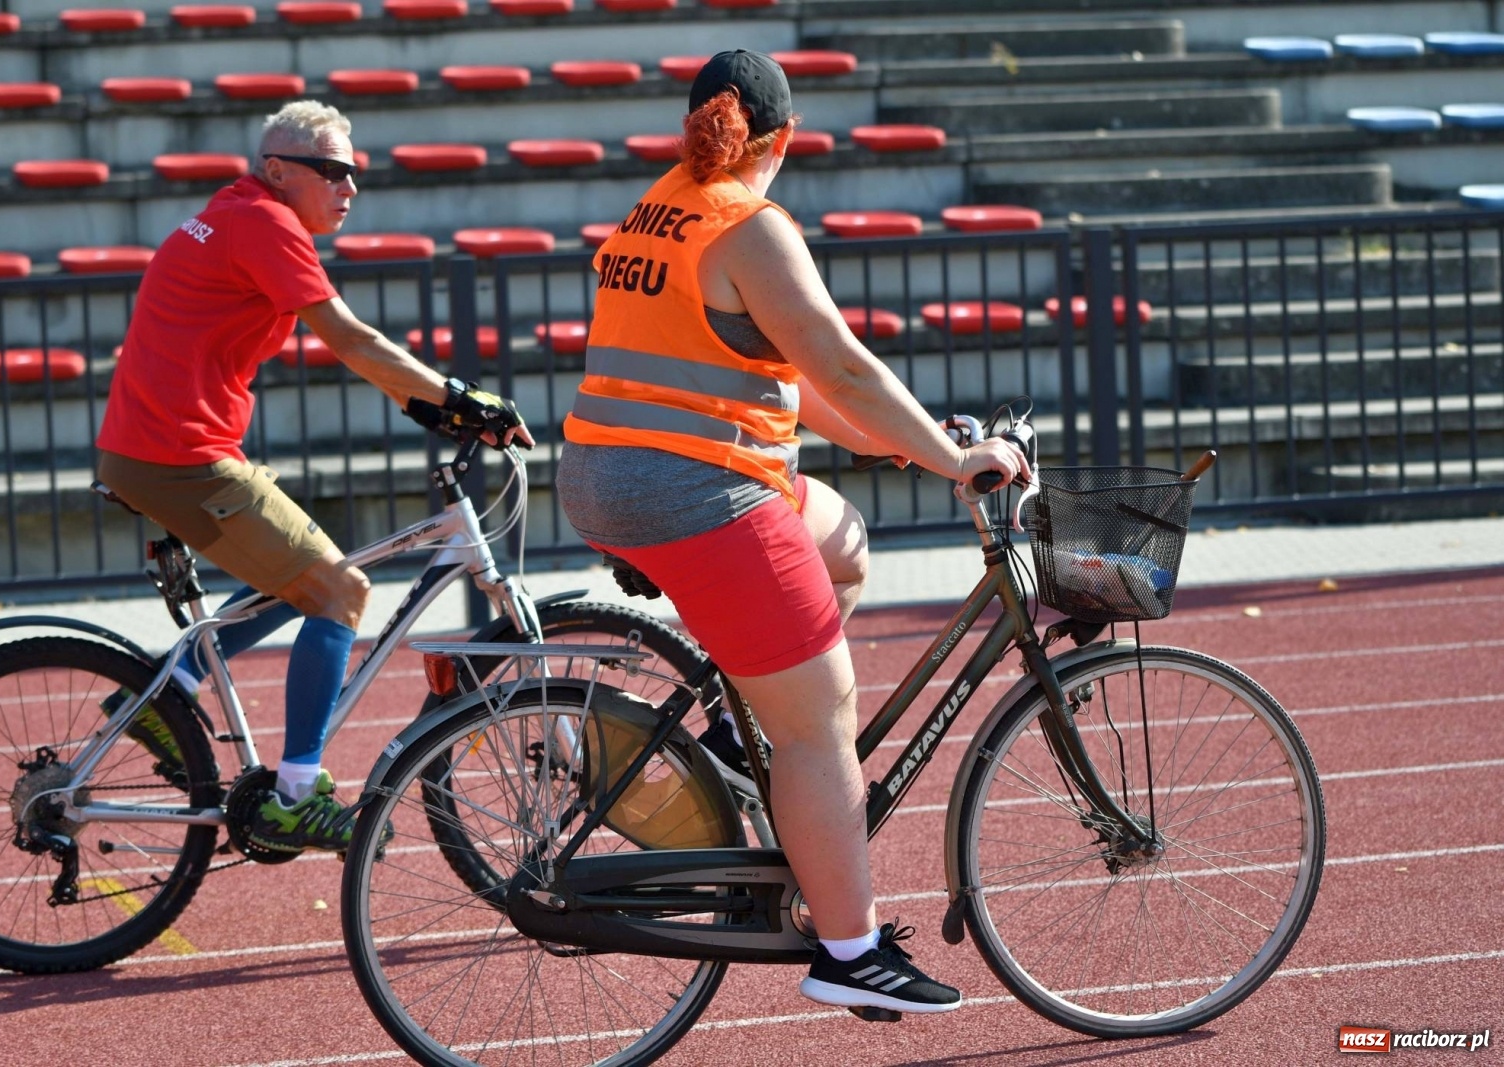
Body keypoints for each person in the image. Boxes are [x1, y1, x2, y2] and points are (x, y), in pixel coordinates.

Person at [556, 50, 1030, 1015]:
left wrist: (919, 445)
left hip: (610, 474)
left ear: (693, 126)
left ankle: (734, 731)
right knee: (822, 726)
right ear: (787, 137)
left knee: (844, 538)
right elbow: (843, 367)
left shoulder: (664, 204)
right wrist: (954, 462)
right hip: (694, 494)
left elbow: (803, 388)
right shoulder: (753, 228)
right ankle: (850, 952)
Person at [95, 101, 531, 853]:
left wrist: (427, 405)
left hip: (159, 448)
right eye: (330, 171)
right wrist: (457, 399)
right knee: (340, 588)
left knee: (299, 577)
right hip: (183, 456)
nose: (348, 187)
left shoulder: (232, 214)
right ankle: (294, 796)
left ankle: (164, 698)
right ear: (277, 170)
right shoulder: (265, 224)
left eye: (353, 173)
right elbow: (351, 338)